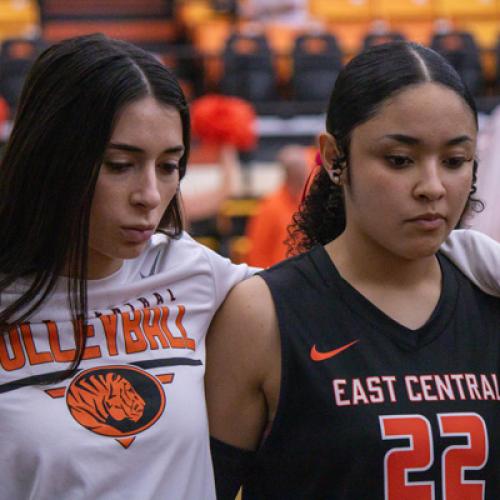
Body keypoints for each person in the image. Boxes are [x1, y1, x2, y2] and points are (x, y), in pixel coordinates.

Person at [206, 41, 500, 499]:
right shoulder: (261, 313)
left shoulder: (490, 294)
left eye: (455, 161)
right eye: (399, 160)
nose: (432, 187)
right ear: (334, 158)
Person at [0, 34, 254, 500]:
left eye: (169, 165)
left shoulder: (197, 274)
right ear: (51, 158)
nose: (151, 196)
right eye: (120, 165)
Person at [245, 144, 310, 268]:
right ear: (288, 172)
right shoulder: (270, 206)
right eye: (298, 168)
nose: (303, 173)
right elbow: (257, 252)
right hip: (278, 278)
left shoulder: (311, 204)